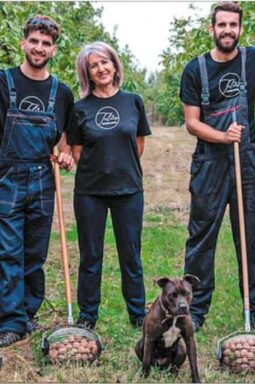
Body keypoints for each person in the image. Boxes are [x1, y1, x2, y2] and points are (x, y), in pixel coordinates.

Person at [179, 1, 255, 332]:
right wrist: (223, 137)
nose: (228, 30)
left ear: (240, 29)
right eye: (222, 25)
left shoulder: (253, 59)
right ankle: (195, 311)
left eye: (233, 25)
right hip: (210, 163)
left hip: (247, 162)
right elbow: (191, 123)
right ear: (211, 29)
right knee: (201, 237)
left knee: (249, 237)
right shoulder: (194, 69)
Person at [0, 15, 75, 347]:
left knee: (35, 252)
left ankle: (28, 313)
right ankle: (10, 320)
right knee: (8, 251)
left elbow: (64, 139)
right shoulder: (3, 83)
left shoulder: (62, 92)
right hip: (7, 176)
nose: (39, 48)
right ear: (23, 43)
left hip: (43, 178)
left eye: (46, 43)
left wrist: (66, 154)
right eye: (34, 41)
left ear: (53, 49)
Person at [69, 42, 151, 330]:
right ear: (87, 74)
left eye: (105, 62)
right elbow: (77, 151)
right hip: (90, 191)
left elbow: (137, 145)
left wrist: (118, 166)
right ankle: (87, 315)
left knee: (131, 255)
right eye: (94, 65)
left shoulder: (133, 101)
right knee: (90, 255)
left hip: (128, 189)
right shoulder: (79, 108)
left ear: (115, 66)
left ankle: (138, 314)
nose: (101, 69)